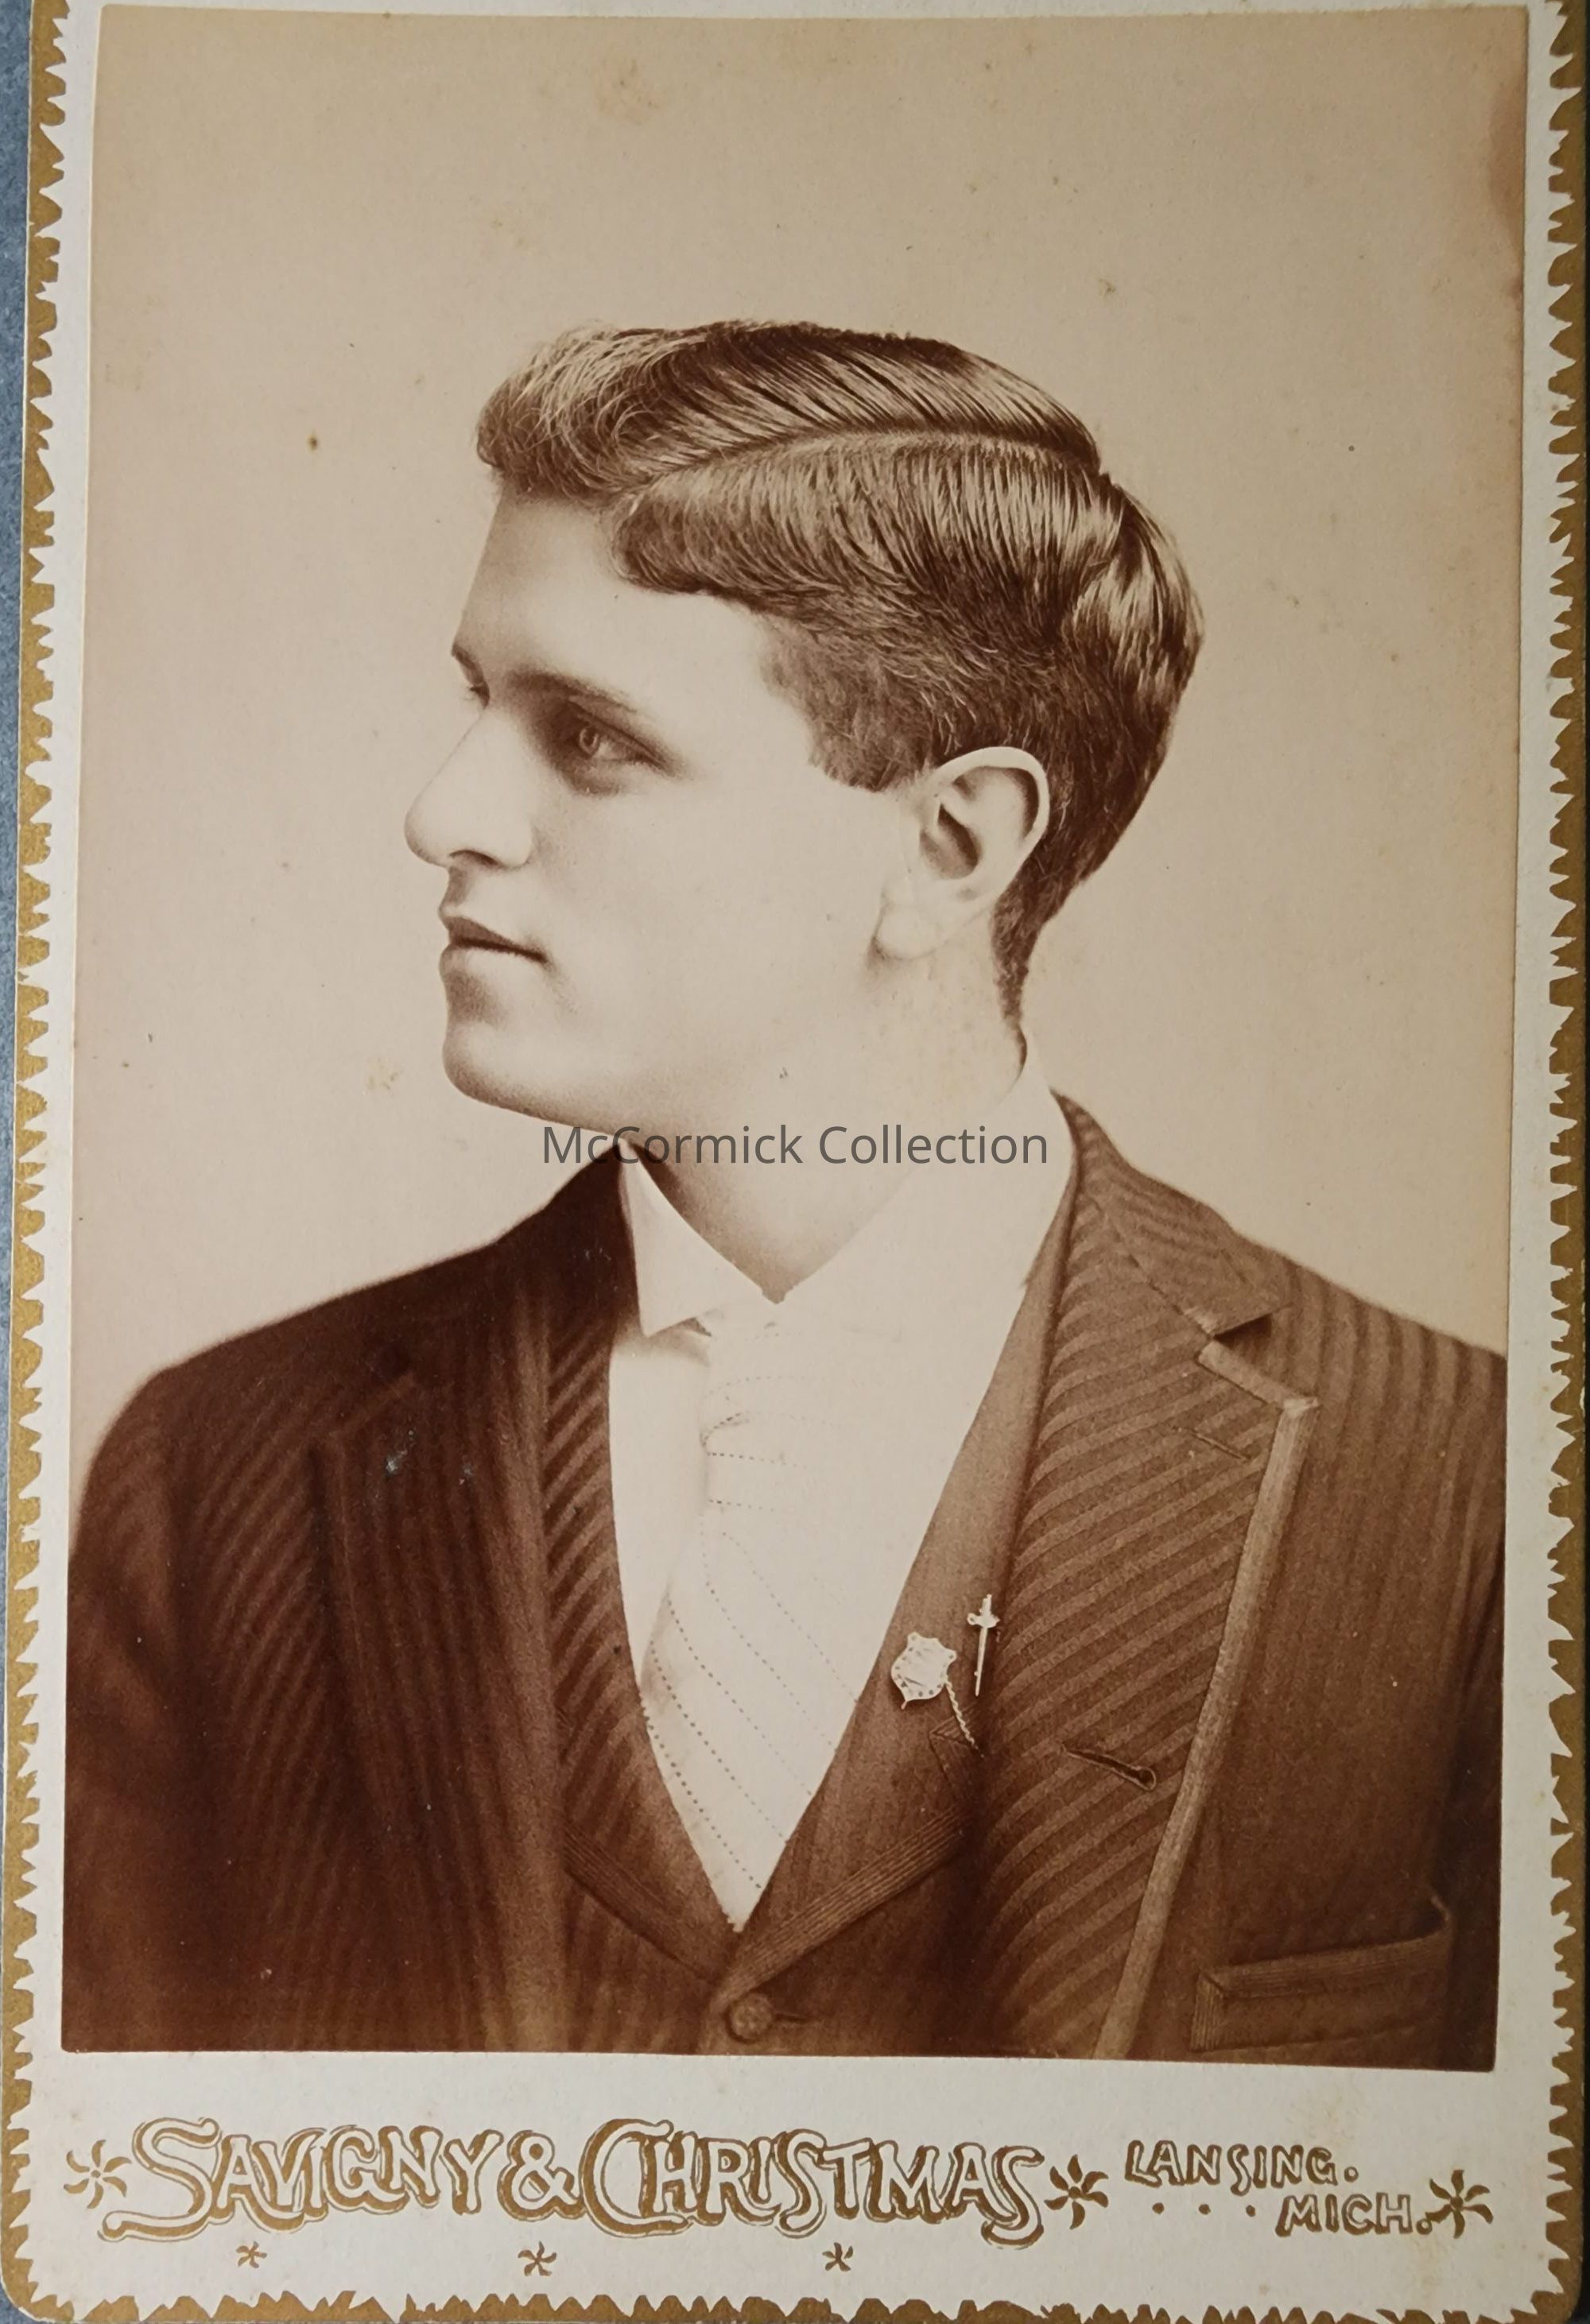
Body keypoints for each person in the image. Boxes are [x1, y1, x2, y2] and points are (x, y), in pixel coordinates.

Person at [64, 320, 1503, 2063]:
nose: (445, 813)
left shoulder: (1463, 1488)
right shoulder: (209, 1474)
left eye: (591, 736)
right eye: (477, 703)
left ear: (951, 846)